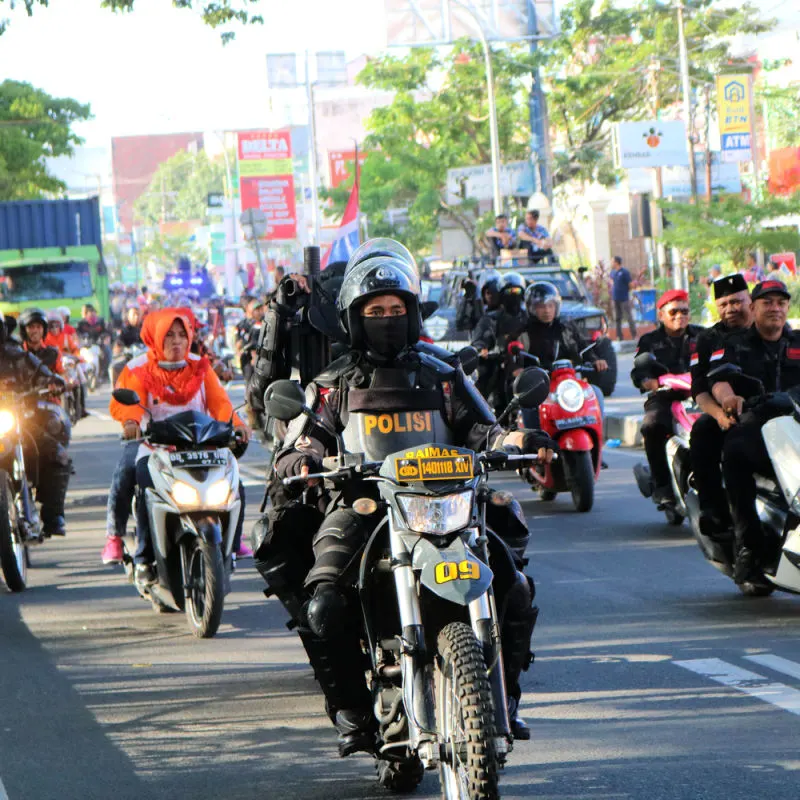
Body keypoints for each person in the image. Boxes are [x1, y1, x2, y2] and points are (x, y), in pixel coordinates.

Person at [260, 241, 555, 755]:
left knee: (516, 585)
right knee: (324, 602)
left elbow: (484, 431)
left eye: (397, 309)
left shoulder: (442, 375)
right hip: (365, 508)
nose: (388, 319)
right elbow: (304, 439)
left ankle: (504, 701)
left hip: (448, 506)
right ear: (354, 318)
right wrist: (302, 458)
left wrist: (518, 441)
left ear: (413, 311)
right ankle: (352, 709)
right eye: (375, 312)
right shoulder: (333, 386)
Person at [104, 309, 250, 578]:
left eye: (183, 335)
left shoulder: (201, 366)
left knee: (235, 482)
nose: (177, 341)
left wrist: (237, 424)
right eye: (169, 335)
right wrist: (131, 423)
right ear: (156, 337)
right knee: (128, 474)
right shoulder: (138, 367)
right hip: (154, 449)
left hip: (198, 447)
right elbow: (130, 405)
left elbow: (221, 404)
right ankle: (129, 547)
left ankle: (233, 540)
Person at [709, 280, 800, 585]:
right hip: (757, 424)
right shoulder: (736, 343)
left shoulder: (798, 341)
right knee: (734, 455)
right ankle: (747, 544)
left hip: (795, 423)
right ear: (753, 307)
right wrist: (727, 399)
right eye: (767, 302)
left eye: (781, 302)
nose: (775, 308)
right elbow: (721, 379)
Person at [689, 274, 752, 536]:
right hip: (727, 412)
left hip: (772, 409)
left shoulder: (768, 332)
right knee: (703, 431)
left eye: (736, 302)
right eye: (723, 304)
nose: (730, 309)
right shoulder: (708, 339)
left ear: (750, 300)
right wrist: (718, 415)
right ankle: (713, 510)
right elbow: (700, 388)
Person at [631, 289, 701, 505]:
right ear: (661, 315)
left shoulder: (703, 336)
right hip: (664, 396)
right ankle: (662, 486)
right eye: (673, 312)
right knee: (652, 427)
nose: (679, 316)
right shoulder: (649, 340)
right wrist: (647, 381)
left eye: (684, 311)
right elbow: (638, 371)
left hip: (701, 394)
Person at [11, 309, 70, 537]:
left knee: (56, 454)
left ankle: (53, 516)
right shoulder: (15, 350)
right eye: (30, 327)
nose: (34, 331)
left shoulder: (21, 356)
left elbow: (49, 374)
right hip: (10, 416)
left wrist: (55, 382)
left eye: (38, 327)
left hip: (35, 414)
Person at [519, 281, 608, 423]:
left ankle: (597, 439)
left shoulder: (566, 328)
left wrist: (595, 360)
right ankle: (532, 440)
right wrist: (518, 370)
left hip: (568, 383)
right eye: (542, 307)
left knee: (596, 393)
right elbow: (515, 356)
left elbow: (582, 348)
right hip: (539, 385)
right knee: (527, 405)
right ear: (532, 308)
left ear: (557, 306)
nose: (547, 310)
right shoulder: (524, 331)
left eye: (550, 305)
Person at [471, 272, 528, 415]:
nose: (513, 295)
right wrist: (482, 350)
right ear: (501, 294)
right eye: (509, 291)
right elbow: (477, 342)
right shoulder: (490, 319)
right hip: (499, 368)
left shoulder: (529, 318)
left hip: (527, 366)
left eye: (516, 291)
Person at [76, 304, 112, 379]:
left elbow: (106, 332)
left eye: (93, 313)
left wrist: (104, 338)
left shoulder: (101, 322)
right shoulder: (81, 324)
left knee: (107, 351)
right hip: (86, 347)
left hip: (99, 345)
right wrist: (83, 341)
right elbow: (78, 336)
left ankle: (104, 373)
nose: (92, 315)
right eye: (90, 314)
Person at [610, 256, 637, 341]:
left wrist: (629, 290)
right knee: (618, 318)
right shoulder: (613, 272)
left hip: (624, 298)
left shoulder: (625, 272)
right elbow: (612, 282)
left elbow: (630, 284)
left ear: (616, 262)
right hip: (615, 298)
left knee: (629, 317)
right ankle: (619, 336)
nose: (611, 263)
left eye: (612, 261)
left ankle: (634, 335)